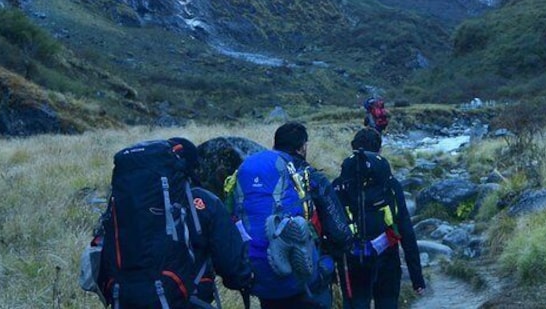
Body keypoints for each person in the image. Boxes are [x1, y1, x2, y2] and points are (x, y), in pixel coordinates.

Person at [90, 137, 253, 308]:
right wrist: (247, 278)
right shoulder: (202, 202)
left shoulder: (123, 205)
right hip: (186, 301)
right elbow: (233, 268)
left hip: (123, 299)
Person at [229, 122, 352, 309]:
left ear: (275, 144)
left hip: (261, 276)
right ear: (302, 147)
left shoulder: (247, 173)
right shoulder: (309, 176)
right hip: (305, 279)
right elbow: (340, 232)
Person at [334, 128, 425, 309]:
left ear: (353, 148)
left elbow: (330, 227)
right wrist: (417, 277)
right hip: (387, 259)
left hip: (352, 262)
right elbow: (406, 229)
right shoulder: (390, 184)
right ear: (380, 151)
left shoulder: (338, 185)